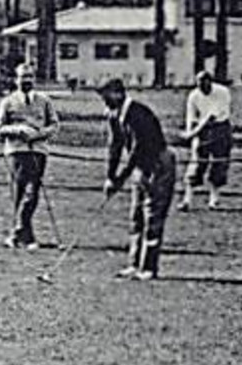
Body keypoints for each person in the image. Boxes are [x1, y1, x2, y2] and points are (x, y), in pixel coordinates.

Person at [98, 78, 177, 282]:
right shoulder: (115, 116)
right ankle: (134, 264)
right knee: (136, 216)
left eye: (106, 96)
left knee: (152, 216)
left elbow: (137, 151)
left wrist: (120, 179)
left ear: (119, 94)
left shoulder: (138, 114)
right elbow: (114, 146)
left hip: (158, 165)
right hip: (141, 168)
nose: (104, 101)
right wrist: (110, 177)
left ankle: (149, 267)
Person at [0, 62, 61, 249]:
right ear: (16, 79)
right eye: (23, 77)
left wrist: (38, 134)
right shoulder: (7, 102)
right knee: (20, 192)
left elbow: (54, 126)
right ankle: (25, 235)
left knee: (33, 192)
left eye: (30, 76)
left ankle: (18, 232)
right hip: (16, 151)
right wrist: (19, 130)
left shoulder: (44, 101)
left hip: (38, 151)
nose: (27, 80)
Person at [183, 69, 233, 210]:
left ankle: (214, 200)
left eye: (206, 85)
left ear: (211, 82)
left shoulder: (222, 92)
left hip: (220, 127)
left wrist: (193, 133)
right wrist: (190, 132)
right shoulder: (194, 95)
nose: (203, 89)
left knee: (219, 164)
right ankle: (187, 200)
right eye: (200, 85)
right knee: (196, 163)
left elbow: (211, 117)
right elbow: (191, 116)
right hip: (202, 131)